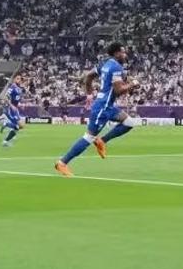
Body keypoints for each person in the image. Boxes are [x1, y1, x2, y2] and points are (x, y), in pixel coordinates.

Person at [54, 42, 139, 177]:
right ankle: (62, 163)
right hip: (103, 107)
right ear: (116, 53)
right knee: (88, 137)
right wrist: (132, 84)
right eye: (123, 52)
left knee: (129, 122)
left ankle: (102, 141)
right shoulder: (116, 67)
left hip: (107, 105)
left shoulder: (105, 64)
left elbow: (89, 77)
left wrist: (89, 95)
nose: (125, 54)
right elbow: (118, 90)